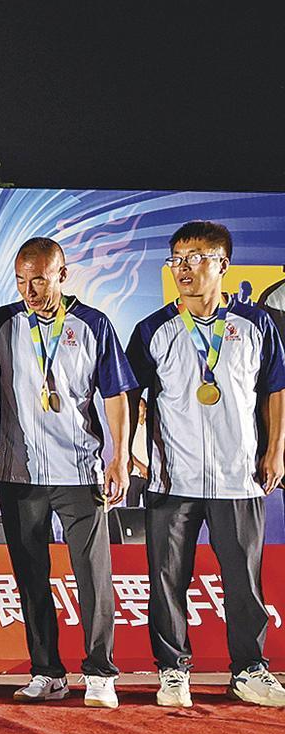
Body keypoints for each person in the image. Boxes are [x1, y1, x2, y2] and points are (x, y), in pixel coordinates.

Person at [127, 220, 285, 708]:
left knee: (243, 580)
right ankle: (173, 670)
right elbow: (129, 394)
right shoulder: (152, 329)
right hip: (173, 478)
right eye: (177, 259)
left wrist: (276, 451)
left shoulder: (256, 325)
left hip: (238, 477)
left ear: (222, 264)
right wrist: (131, 447)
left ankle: (249, 669)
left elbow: (275, 390)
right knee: (167, 579)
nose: (184, 268)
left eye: (195, 258)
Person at [0, 237, 136, 708]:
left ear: (62, 275)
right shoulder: (0, 323)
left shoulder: (93, 324)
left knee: (93, 576)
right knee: (31, 578)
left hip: (80, 471)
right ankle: (47, 671)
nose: (29, 290)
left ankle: (100, 672)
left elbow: (115, 395)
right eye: (21, 281)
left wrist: (119, 457)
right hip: (18, 473)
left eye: (39, 280)